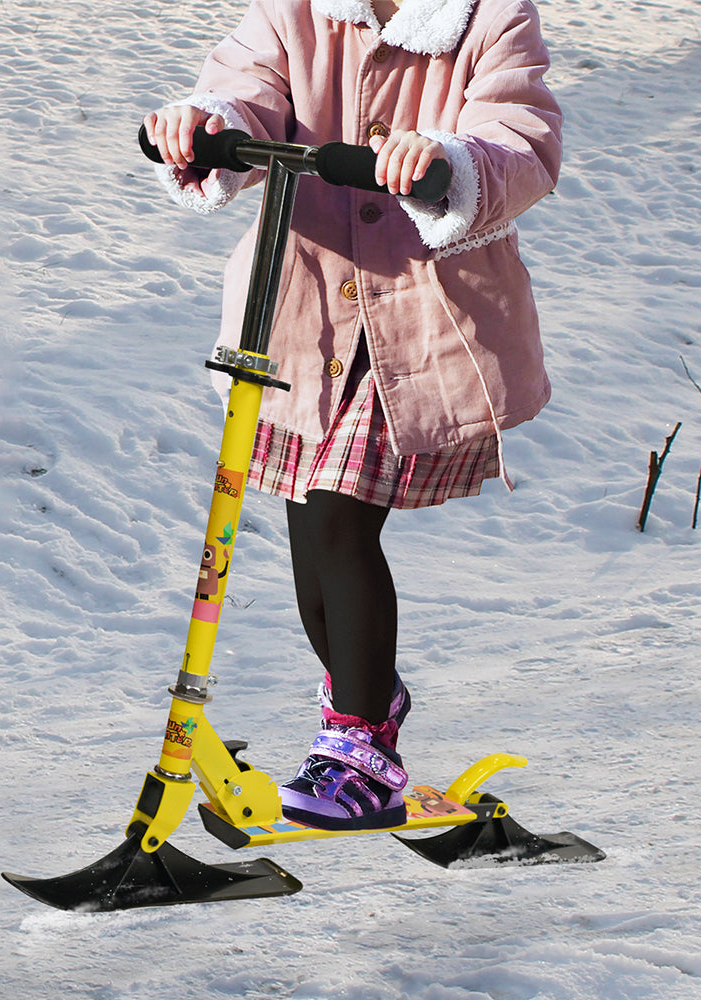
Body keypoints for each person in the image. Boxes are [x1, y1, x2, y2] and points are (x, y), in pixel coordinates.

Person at [143, 0, 562, 831]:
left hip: (418, 319)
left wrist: (448, 160)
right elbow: (244, 91)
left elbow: (524, 135)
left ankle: (362, 744)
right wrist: (203, 124)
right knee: (313, 544)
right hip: (308, 316)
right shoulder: (296, 10)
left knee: (337, 524)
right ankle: (366, 697)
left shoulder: (488, 19)